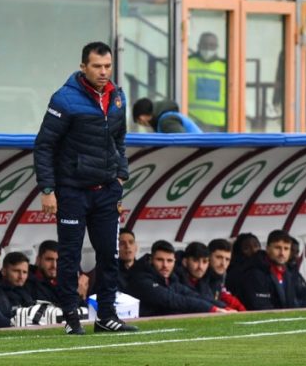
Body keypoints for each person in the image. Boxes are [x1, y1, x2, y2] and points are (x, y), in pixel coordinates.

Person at [33, 41, 138, 335]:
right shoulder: (64, 99)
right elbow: (44, 146)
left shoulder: (117, 97)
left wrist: (121, 175)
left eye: (107, 66)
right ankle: (71, 318)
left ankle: (106, 315)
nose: (103, 72)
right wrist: (47, 189)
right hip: (72, 191)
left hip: (106, 190)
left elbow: (119, 139)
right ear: (83, 67)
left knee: (109, 255)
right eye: (97, 66)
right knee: (70, 256)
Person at [126, 240, 230, 317]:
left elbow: (192, 294)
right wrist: (212, 309)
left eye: (169, 261)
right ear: (151, 260)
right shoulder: (142, 278)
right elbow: (172, 300)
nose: (165, 265)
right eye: (160, 260)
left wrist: (224, 307)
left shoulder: (171, 279)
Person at [235, 230, 306, 310]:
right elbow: (261, 307)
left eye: (286, 249)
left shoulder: (289, 272)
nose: (282, 253)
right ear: (267, 249)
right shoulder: (255, 273)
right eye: (277, 248)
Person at [186, 33, 229, 132]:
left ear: (217, 47)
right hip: (192, 122)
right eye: (205, 45)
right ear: (198, 45)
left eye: (212, 45)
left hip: (219, 124)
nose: (208, 48)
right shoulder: (187, 64)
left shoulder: (225, 67)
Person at [206, 239, 247, 311]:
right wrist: (225, 308)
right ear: (208, 257)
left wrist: (241, 309)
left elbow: (223, 294)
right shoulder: (200, 275)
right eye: (219, 257)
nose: (223, 264)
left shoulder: (221, 274)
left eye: (227, 259)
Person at [132, 98, 203, 133]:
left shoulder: (167, 121)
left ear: (142, 118)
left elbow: (182, 143)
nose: (143, 125)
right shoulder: (163, 119)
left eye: (139, 122)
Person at [117, 228, 137, 292]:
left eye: (131, 242)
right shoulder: (109, 273)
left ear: (136, 247)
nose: (127, 246)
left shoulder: (145, 269)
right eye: (122, 243)